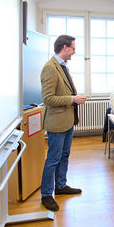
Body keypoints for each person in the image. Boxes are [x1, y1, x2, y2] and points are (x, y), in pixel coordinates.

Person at [40, 35, 87, 211]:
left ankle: (60, 186)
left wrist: (72, 98)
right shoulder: (50, 68)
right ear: (65, 48)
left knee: (64, 155)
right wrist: (72, 99)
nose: (75, 52)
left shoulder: (63, 67)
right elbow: (48, 98)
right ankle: (46, 194)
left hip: (67, 120)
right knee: (53, 158)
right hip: (57, 122)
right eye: (73, 48)